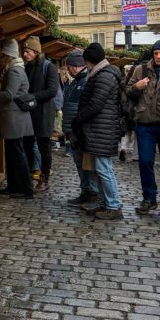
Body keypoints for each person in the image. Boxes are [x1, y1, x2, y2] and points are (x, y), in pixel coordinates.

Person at [71, 42, 124, 220]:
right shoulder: (101, 74)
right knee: (98, 168)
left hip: (102, 129)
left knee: (103, 168)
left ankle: (113, 205)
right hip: (98, 129)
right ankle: (105, 203)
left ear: (90, 61)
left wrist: (79, 119)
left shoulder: (104, 76)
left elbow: (95, 104)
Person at [125, 39, 160, 218]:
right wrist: (136, 87)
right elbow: (127, 90)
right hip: (145, 123)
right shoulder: (142, 70)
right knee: (145, 162)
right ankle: (149, 197)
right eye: (156, 53)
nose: (158, 57)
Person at [0, 38, 34, 199]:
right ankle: (14, 186)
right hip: (15, 119)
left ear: (7, 55)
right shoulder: (17, 69)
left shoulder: (14, 71)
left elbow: (9, 95)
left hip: (15, 119)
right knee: (13, 154)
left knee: (17, 155)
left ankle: (25, 189)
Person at [60, 50, 99, 206]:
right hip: (73, 128)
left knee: (87, 162)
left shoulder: (86, 81)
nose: (68, 69)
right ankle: (85, 191)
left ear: (76, 66)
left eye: (70, 66)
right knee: (79, 162)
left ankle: (92, 193)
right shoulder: (74, 81)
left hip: (80, 128)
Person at [22, 36, 59, 192]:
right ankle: (30, 177)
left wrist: (33, 97)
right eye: (24, 51)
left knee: (44, 148)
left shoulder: (48, 67)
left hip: (44, 114)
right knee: (28, 146)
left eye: (27, 51)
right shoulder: (28, 67)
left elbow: (52, 90)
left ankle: (44, 179)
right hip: (29, 113)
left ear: (36, 52)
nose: (24, 54)